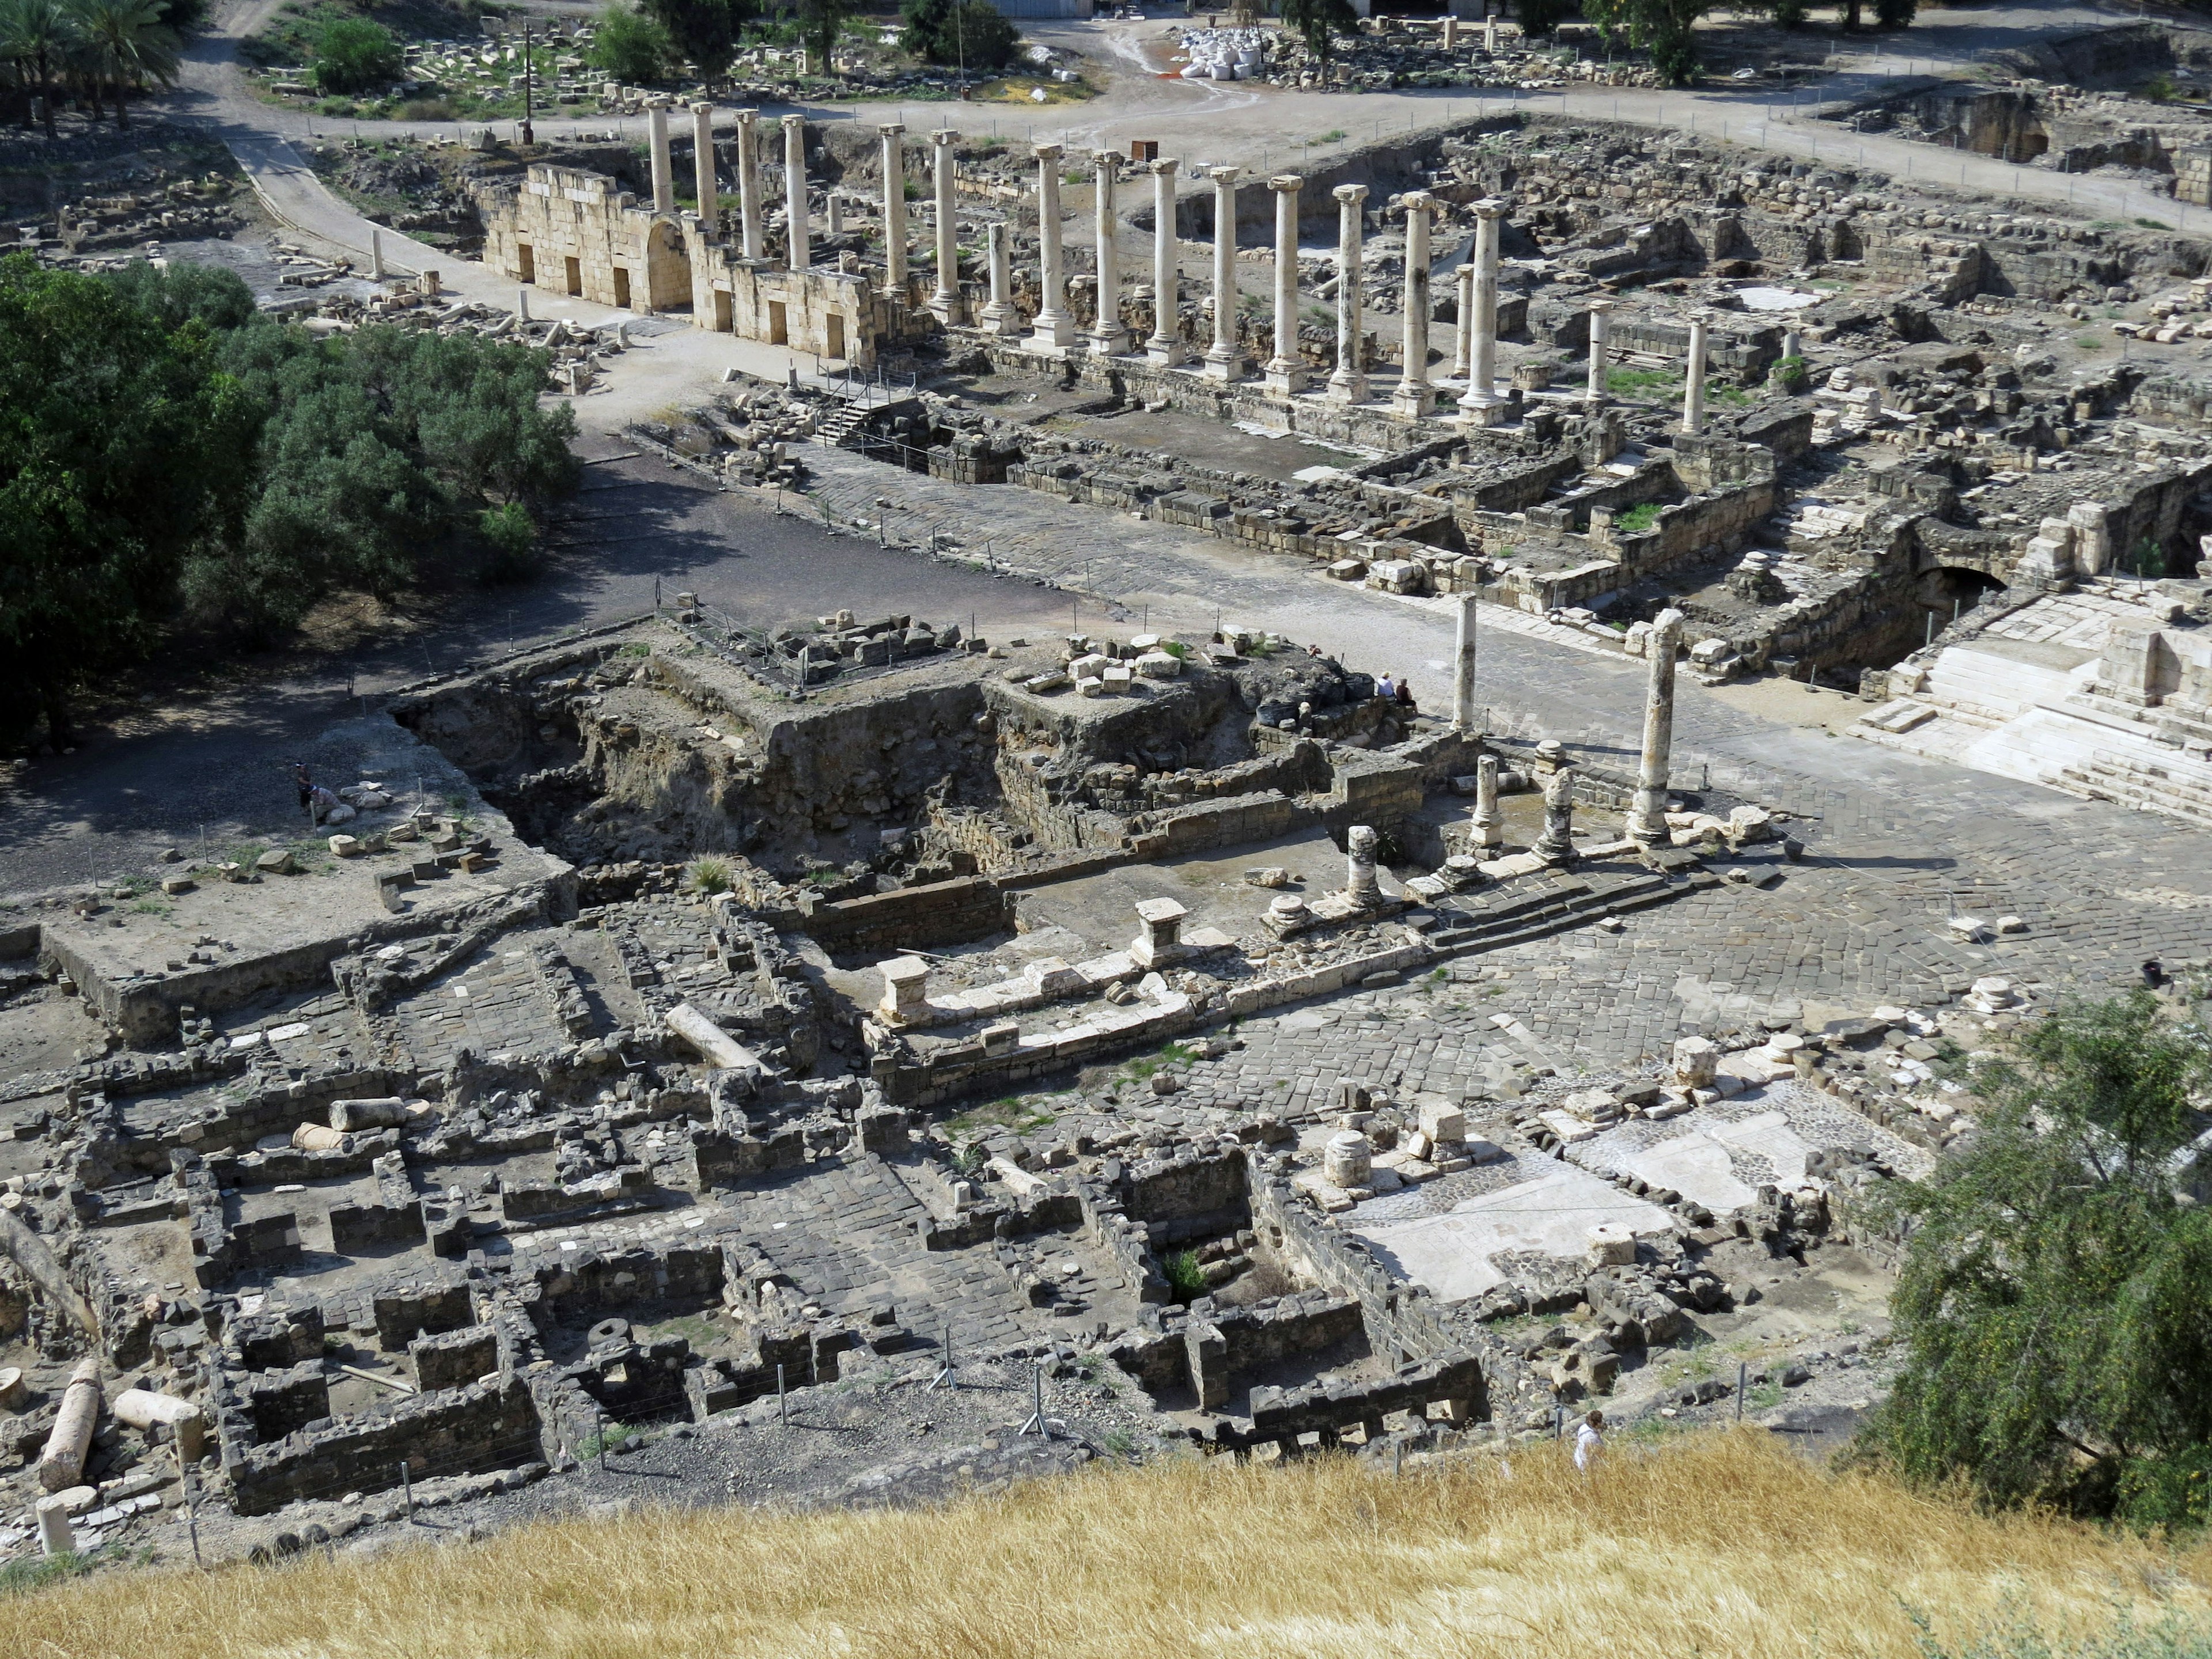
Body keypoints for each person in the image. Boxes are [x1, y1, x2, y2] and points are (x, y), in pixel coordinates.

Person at [1574, 1408, 1604, 1474]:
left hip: (1579, 1456)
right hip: (1587, 1463)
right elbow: (1592, 1452)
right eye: (1600, 1421)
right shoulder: (1591, 1436)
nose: (1602, 1423)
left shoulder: (1584, 1427)